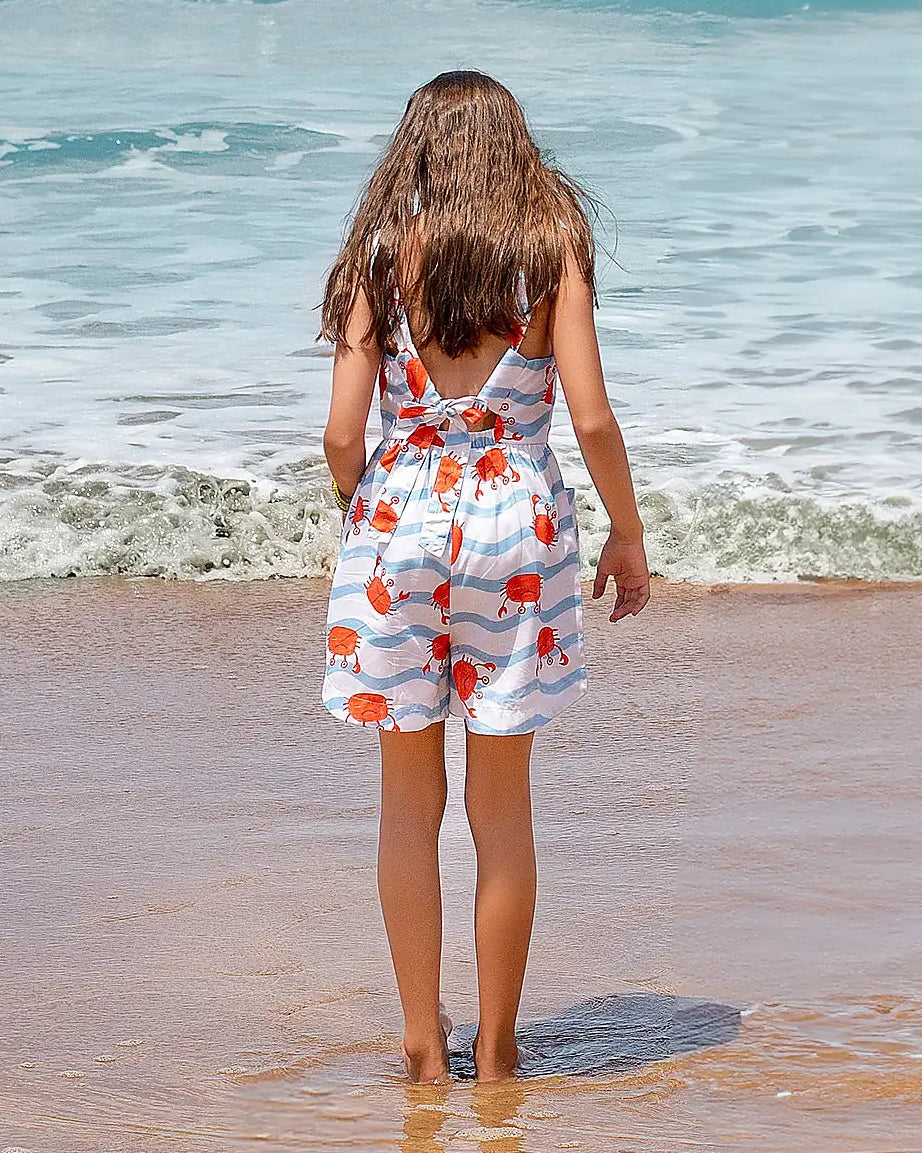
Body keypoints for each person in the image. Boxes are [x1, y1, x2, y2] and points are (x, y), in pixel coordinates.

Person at [318, 70, 649, 1085]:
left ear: (415, 153)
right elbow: (591, 417)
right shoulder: (551, 251)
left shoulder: (381, 258)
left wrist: (370, 512)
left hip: (400, 525)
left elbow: (340, 436)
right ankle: (497, 1048)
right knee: (500, 812)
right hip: (516, 529)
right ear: (514, 151)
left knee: (406, 804)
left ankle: (424, 1046)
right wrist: (627, 533)